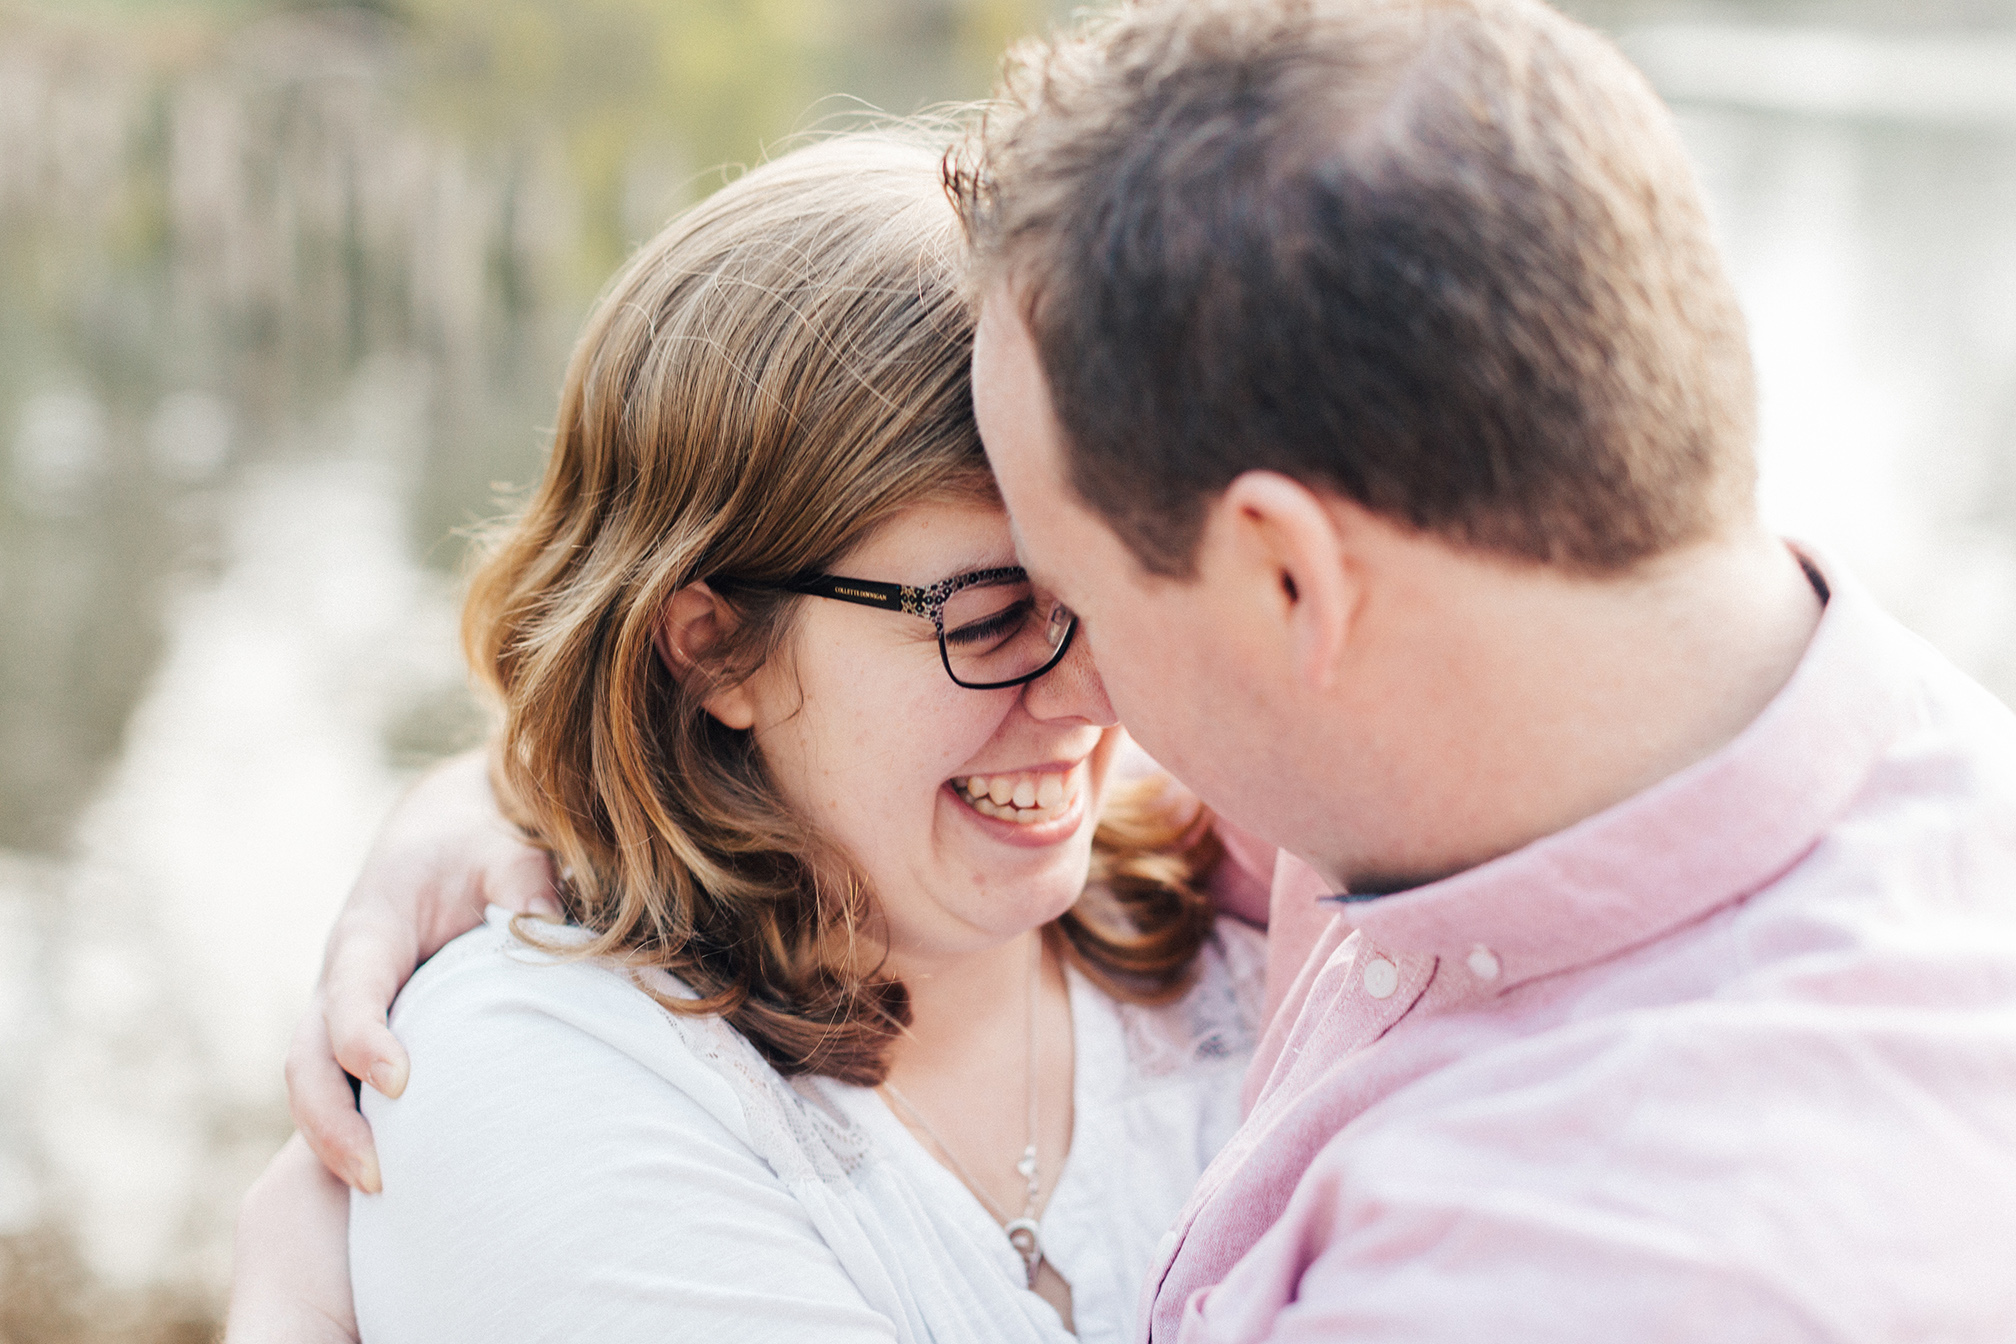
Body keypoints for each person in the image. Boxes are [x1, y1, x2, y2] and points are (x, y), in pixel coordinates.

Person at [267, 0, 2016, 1338]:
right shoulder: (1510, 789)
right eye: (995, 605)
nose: (1095, 695)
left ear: (1280, 579)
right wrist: (528, 780)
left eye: (1078, 583)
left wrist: (285, 1293)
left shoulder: (1564, 1263)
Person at [230, 132, 1284, 1344]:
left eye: (1121, 594)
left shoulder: (1276, 919)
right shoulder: (544, 1080)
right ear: (715, 646)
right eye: (991, 618)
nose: (1098, 693)